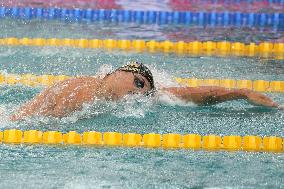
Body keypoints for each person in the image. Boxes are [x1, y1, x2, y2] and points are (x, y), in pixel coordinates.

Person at [10, 62, 282, 121]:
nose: (140, 93)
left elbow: (196, 94)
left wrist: (242, 93)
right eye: (139, 83)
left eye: (145, 90)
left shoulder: (121, 98)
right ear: (113, 73)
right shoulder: (79, 93)